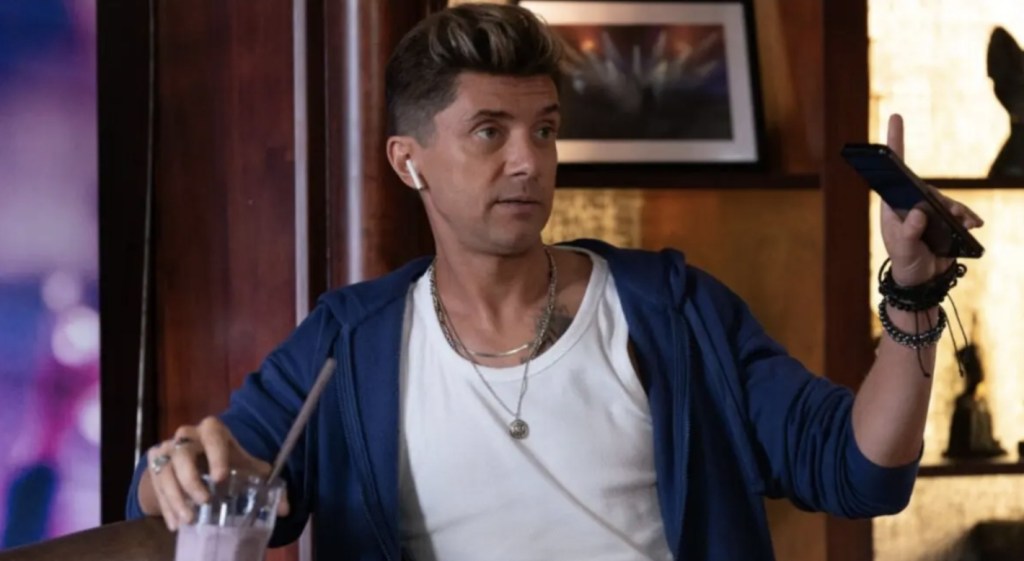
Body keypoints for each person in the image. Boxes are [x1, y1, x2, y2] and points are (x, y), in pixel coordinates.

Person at [125, 4, 985, 560]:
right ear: (409, 161)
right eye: (489, 132)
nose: (528, 161)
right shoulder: (350, 341)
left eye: (544, 129)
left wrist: (912, 294)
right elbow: (189, 490)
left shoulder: (672, 309)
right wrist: (181, 471)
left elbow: (860, 469)